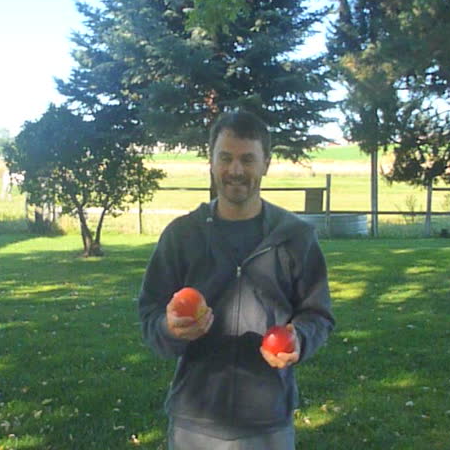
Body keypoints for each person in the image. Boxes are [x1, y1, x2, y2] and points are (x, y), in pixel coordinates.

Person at [138, 110, 335, 449]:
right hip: (194, 422)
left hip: (269, 423)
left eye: (247, 159)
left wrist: (300, 339)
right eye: (225, 158)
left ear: (266, 164)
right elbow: (150, 314)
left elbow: (318, 314)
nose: (235, 171)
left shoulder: (295, 237)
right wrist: (168, 329)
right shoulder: (182, 235)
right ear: (211, 160)